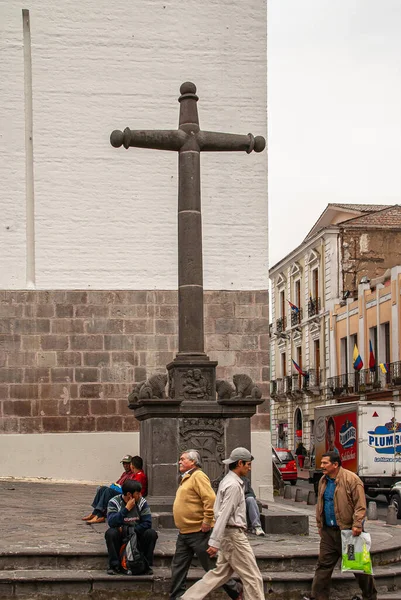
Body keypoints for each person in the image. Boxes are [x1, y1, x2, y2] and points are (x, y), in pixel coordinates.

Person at [181, 447, 264, 600]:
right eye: (248, 464)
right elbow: (224, 514)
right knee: (253, 577)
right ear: (240, 463)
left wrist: (216, 540)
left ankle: (188, 598)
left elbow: (219, 512)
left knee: (219, 574)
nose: (249, 468)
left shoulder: (228, 481)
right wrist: (214, 542)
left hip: (229, 535)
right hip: (234, 536)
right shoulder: (233, 485)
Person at [170, 449, 242, 600]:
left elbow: (210, 499)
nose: (180, 461)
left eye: (183, 459)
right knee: (178, 567)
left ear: (193, 462)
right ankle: (176, 597)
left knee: (211, 567)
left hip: (198, 531)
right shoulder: (187, 477)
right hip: (184, 532)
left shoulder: (198, 476)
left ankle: (237, 592)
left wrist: (207, 521)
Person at [306, 451, 377, 600]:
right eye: (322, 463)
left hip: (350, 532)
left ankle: (370, 596)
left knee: (359, 567)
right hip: (328, 533)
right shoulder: (323, 481)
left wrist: (357, 524)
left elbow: (360, 505)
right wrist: (320, 525)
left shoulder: (352, 479)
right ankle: (318, 597)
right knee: (323, 566)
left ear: (335, 464)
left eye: (325, 463)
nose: (322, 466)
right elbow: (321, 503)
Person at [105, 479, 158, 575]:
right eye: (137, 493)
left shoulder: (142, 502)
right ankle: (114, 565)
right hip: (121, 535)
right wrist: (126, 509)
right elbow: (112, 522)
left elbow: (147, 522)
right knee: (110, 533)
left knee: (151, 533)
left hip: (136, 534)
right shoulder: (114, 502)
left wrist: (129, 529)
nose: (140, 496)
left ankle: (146, 565)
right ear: (129, 494)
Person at [82, 454, 147, 524]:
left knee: (108, 491)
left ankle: (100, 515)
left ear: (132, 466)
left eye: (128, 464)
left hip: (128, 495)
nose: (125, 465)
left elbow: (133, 489)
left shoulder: (138, 476)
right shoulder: (130, 474)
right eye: (124, 464)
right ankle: (95, 513)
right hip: (125, 492)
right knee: (102, 489)